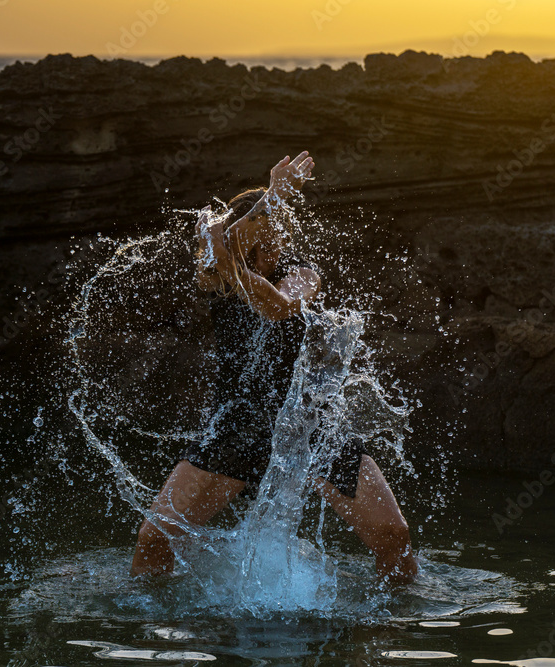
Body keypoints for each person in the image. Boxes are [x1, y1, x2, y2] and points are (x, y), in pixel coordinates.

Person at [130, 151, 418, 583]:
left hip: (309, 423)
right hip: (238, 422)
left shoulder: (302, 272)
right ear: (239, 242)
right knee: (153, 541)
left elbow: (279, 307)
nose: (273, 247)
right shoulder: (218, 276)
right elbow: (219, 252)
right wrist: (239, 232)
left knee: (394, 537)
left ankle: (393, 623)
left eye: (276, 236)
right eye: (261, 240)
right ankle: (154, 618)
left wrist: (273, 198)